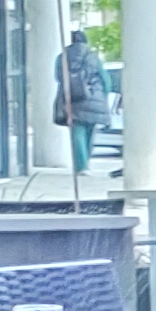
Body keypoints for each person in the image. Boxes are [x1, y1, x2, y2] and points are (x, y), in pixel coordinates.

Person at [54, 25, 114, 190]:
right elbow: (105, 79)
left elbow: (58, 77)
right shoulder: (92, 56)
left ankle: (81, 166)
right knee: (89, 130)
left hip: (72, 98)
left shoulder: (62, 57)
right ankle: (86, 162)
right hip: (93, 96)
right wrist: (103, 94)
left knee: (77, 131)